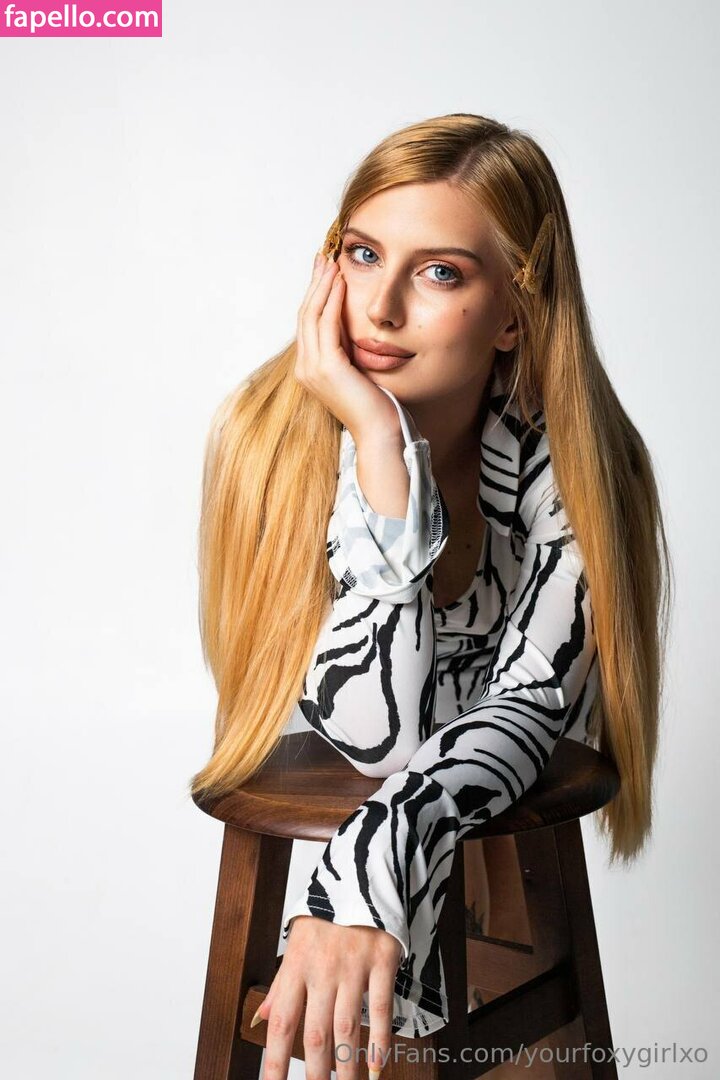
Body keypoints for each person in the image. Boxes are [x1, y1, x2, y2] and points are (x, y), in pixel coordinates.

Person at [190, 113, 673, 1080]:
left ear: (514, 314)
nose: (379, 309)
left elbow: (526, 710)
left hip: (487, 786)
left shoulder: (581, 468)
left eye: (440, 273)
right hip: (360, 770)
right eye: (363, 254)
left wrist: (365, 877)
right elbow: (374, 741)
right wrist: (380, 445)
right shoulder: (265, 441)